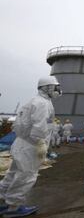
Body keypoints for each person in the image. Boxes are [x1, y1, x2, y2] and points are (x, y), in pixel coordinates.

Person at [0, 76, 61, 217]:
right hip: (31, 146)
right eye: (55, 87)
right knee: (26, 176)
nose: (58, 90)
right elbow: (39, 127)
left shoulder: (35, 101)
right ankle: (13, 208)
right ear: (47, 88)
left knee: (13, 173)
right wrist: (41, 144)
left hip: (21, 143)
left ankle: (3, 202)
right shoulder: (42, 104)